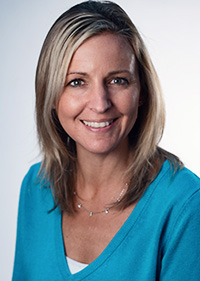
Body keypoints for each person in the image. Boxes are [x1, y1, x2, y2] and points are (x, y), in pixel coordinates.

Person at [12, 1, 200, 280]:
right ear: (51, 96)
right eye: (77, 82)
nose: (100, 104)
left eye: (118, 80)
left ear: (142, 92)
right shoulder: (36, 186)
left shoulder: (185, 203)